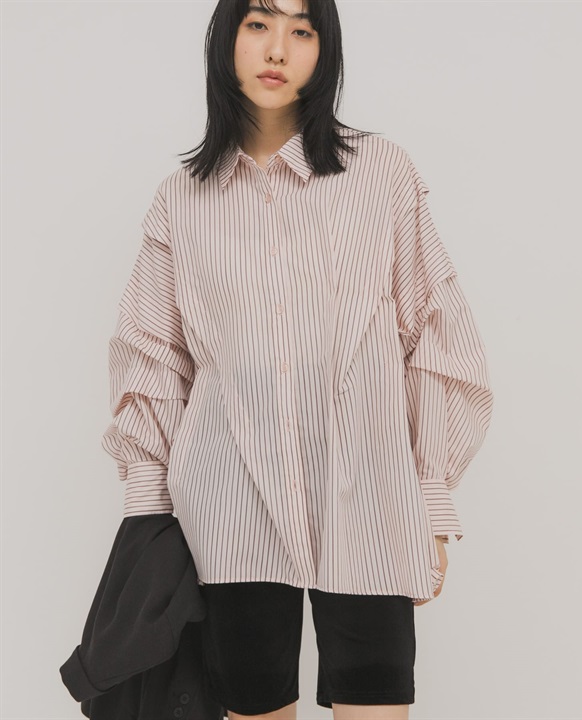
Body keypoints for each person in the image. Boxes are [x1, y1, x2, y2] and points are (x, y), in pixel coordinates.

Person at [100, 1, 494, 719]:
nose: (278, 48)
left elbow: (435, 334)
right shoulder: (180, 201)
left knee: (377, 703)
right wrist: (149, 515)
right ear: (227, 38)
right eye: (258, 23)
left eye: (301, 30)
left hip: (368, 504)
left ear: (324, 49)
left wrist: (432, 497)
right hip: (229, 510)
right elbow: (152, 356)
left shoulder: (381, 173)